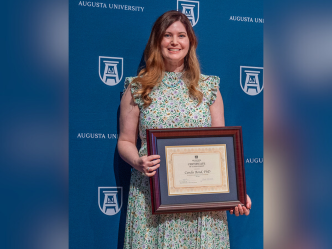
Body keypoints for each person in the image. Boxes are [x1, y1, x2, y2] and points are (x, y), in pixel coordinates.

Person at [118, 10, 251, 249]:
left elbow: (222, 149)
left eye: (181, 35)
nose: (174, 42)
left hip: (202, 203)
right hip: (152, 196)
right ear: (157, 41)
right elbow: (125, 141)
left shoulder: (208, 88)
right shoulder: (138, 88)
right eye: (167, 35)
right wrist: (138, 162)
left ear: (190, 42)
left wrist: (236, 193)